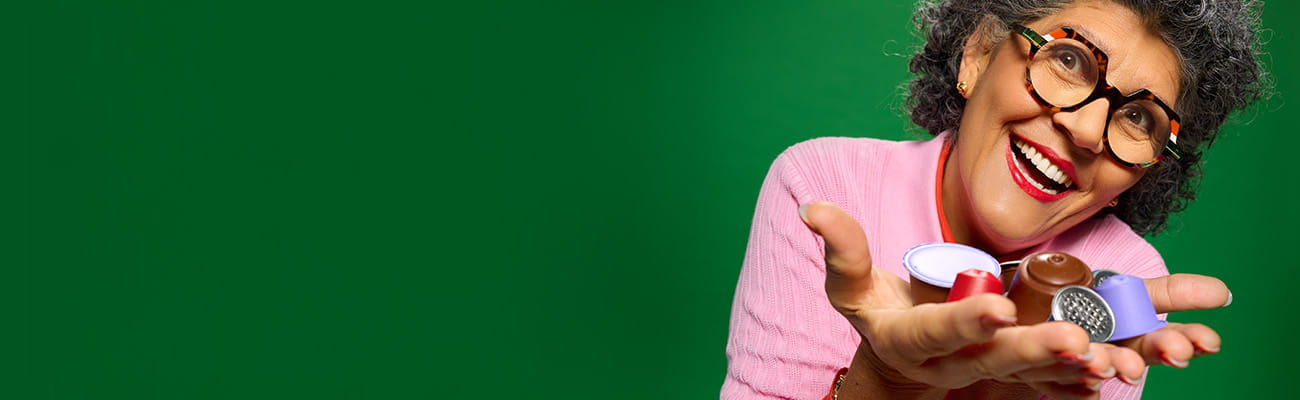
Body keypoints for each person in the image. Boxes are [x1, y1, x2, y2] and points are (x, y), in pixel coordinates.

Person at [721, 0, 1266, 399]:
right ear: (978, 55)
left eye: (1138, 118)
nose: (1085, 129)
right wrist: (887, 381)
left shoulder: (1120, 286)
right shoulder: (823, 184)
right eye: (1069, 60)